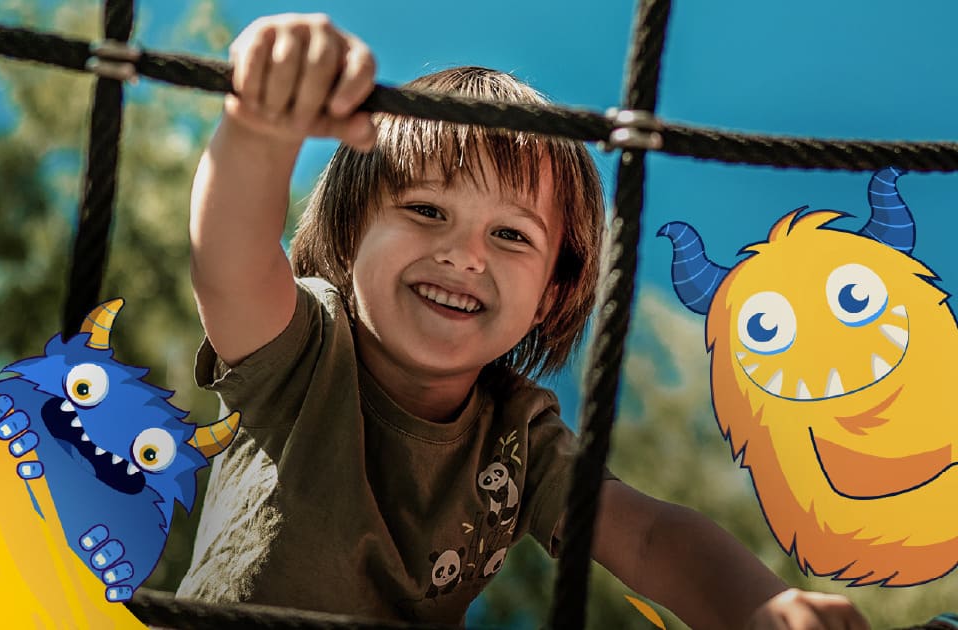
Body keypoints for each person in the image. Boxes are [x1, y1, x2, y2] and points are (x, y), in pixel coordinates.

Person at [178, 13, 871, 630]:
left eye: (512, 236)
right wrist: (259, 127)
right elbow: (229, 262)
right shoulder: (305, 348)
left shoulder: (518, 439)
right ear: (351, 231)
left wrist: (758, 607)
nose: (464, 256)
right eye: (426, 211)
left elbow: (647, 537)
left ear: (548, 295)